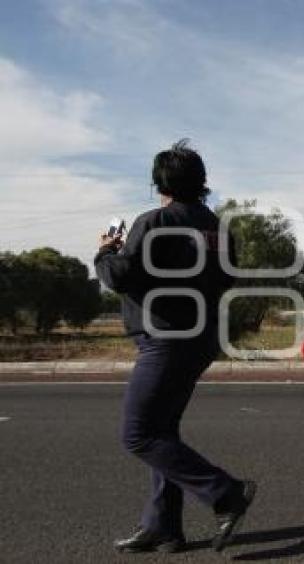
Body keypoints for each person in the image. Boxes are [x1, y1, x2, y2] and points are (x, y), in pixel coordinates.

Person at [95, 140, 255, 553]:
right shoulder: (218, 229)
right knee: (163, 431)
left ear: (158, 182)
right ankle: (162, 526)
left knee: (138, 434)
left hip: (164, 341)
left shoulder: (155, 222)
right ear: (201, 183)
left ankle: (226, 493)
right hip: (201, 337)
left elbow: (120, 277)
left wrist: (104, 252)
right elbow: (226, 279)